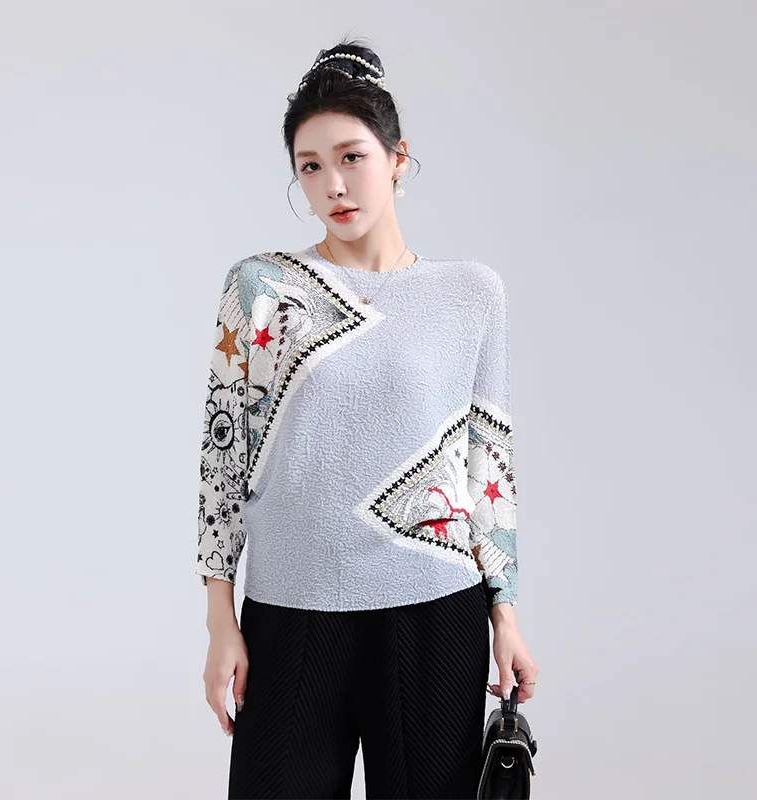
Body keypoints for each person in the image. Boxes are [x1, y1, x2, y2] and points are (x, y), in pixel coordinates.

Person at [196, 36, 539, 800]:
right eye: (310, 166)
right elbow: (222, 461)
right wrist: (221, 621)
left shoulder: (472, 294)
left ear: (398, 159)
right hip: (290, 611)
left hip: (433, 613)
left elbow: (487, 466)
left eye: (351, 157)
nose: (333, 184)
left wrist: (506, 616)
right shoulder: (260, 288)